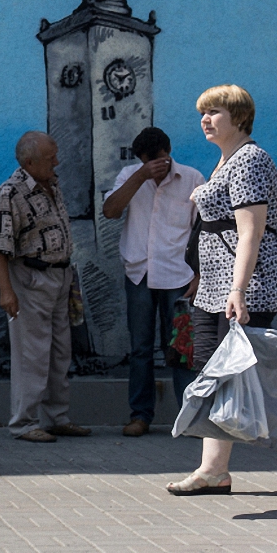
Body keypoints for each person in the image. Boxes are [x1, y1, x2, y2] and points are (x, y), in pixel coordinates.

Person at [167, 85, 277, 496]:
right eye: (203, 112)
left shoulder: (251, 161)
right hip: (213, 288)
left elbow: (250, 231)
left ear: (239, 117)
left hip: (243, 287)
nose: (205, 119)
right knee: (219, 376)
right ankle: (214, 470)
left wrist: (238, 289)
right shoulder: (225, 162)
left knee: (259, 377)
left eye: (214, 111)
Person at [0, 131, 92, 443]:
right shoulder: (11, 192)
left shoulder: (51, 183)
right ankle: (24, 422)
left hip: (60, 276)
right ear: (30, 161)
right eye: (51, 159)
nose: (57, 162)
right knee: (31, 353)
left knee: (60, 351)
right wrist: (6, 291)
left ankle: (56, 417)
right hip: (31, 278)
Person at [103, 127, 204, 436]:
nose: (156, 167)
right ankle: (140, 416)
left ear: (168, 151)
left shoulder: (192, 179)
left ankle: (189, 419)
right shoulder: (130, 176)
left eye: (159, 160)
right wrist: (140, 177)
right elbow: (110, 210)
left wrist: (200, 274)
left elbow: (204, 230)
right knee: (140, 349)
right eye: (149, 162)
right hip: (140, 273)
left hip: (179, 276)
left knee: (181, 349)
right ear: (141, 160)